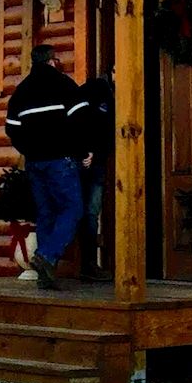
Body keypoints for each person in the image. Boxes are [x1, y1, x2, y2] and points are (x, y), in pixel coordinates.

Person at [4, 44, 88, 289]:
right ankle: (47, 256)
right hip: (61, 159)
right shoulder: (63, 84)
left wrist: (29, 150)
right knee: (73, 208)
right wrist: (83, 151)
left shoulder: (22, 91)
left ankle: (45, 275)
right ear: (52, 61)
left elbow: (11, 129)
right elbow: (80, 121)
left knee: (45, 213)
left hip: (35, 162)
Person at [76, 73, 114, 280]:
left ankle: (88, 265)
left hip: (97, 161)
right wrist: (84, 151)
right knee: (84, 212)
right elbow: (79, 122)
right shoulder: (94, 90)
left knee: (90, 213)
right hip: (86, 162)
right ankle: (86, 264)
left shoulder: (115, 95)